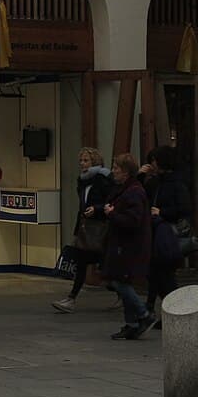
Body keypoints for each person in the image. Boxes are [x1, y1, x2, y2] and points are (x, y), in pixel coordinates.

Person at [52, 146, 112, 313]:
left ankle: (123, 292)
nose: (82, 164)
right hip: (86, 226)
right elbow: (82, 205)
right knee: (82, 261)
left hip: (100, 227)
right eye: (81, 160)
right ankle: (71, 298)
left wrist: (97, 209)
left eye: (86, 160)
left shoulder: (103, 178)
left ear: (94, 161)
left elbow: (110, 199)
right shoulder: (82, 180)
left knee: (103, 264)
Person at [102, 152, 155, 340]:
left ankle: (143, 314)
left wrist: (112, 214)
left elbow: (133, 220)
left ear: (125, 172)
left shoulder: (133, 191)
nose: (113, 171)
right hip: (123, 243)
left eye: (116, 168)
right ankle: (131, 323)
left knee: (119, 281)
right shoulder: (125, 189)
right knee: (120, 280)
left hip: (129, 245)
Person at [141, 146, 191, 329]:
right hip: (156, 232)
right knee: (156, 274)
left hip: (166, 233)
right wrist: (140, 176)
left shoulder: (176, 183)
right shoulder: (156, 182)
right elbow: (141, 195)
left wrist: (162, 212)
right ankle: (160, 310)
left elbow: (184, 209)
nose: (152, 164)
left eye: (154, 160)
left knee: (164, 276)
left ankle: (174, 311)